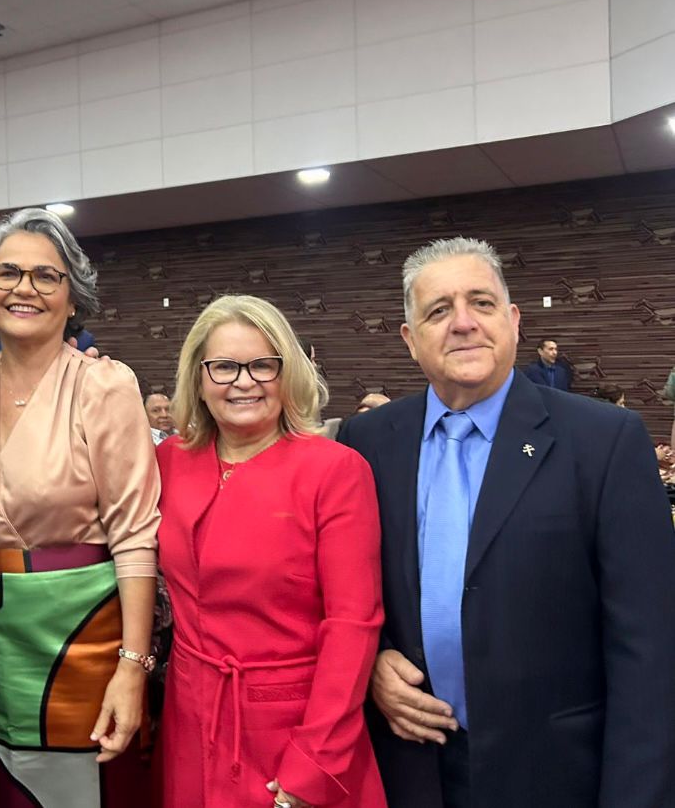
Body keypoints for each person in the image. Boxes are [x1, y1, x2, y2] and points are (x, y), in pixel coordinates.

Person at [339, 237, 675, 808]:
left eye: (482, 303)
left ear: (514, 321)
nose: (464, 323)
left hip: (556, 773)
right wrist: (370, 659)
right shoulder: (367, 442)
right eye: (438, 310)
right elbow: (348, 590)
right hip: (408, 770)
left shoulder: (604, 441)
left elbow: (650, 649)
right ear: (409, 339)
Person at [0, 207, 160, 807]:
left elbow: (136, 534)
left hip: (82, 634)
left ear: (73, 300)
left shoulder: (104, 385)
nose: (24, 288)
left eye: (47, 276)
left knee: (84, 790)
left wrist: (132, 667)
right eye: (7, 272)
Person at [157, 294, 386, 808]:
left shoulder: (335, 470)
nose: (244, 381)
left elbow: (354, 623)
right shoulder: (169, 460)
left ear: (289, 372)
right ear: (198, 376)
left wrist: (315, 761)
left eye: (263, 365)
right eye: (223, 367)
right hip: (189, 723)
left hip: (293, 730)